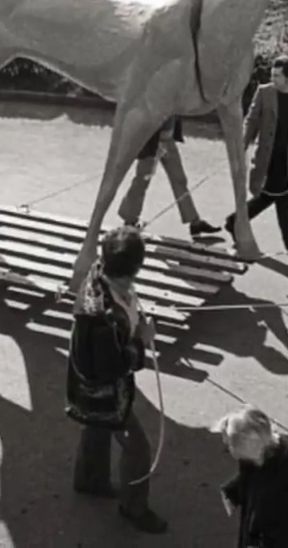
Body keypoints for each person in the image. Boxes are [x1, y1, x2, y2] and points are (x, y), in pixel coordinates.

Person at [66, 226, 168, 534]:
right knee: (138, 448)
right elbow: (115, 365)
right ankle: (133, 506)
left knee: (96, 426)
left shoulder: (101, 275)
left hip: (87, 385)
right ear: (135, 269)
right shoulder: (104, 318)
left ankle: (90, 479)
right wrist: (141, 342)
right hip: (105, 390)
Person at [225, 57, 288, 263]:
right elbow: (251, 121)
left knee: (272, 197)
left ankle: (235, 221)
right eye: (272, 74)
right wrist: (241, 146)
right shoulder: (264, 92)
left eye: (277, 75)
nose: (272, 78)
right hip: (267, 155)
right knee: (282, 200)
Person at [213, 405, 288, 548]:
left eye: (230, 444)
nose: (228, 449)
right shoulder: (253, 458)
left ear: (249, 442)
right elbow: (250, 478)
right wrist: (234, 491)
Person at [117, 116, 222, 239]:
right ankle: (129, 220)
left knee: (180, 179)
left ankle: (195, 222)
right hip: (151, 141)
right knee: (142, 180)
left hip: (167, 140)